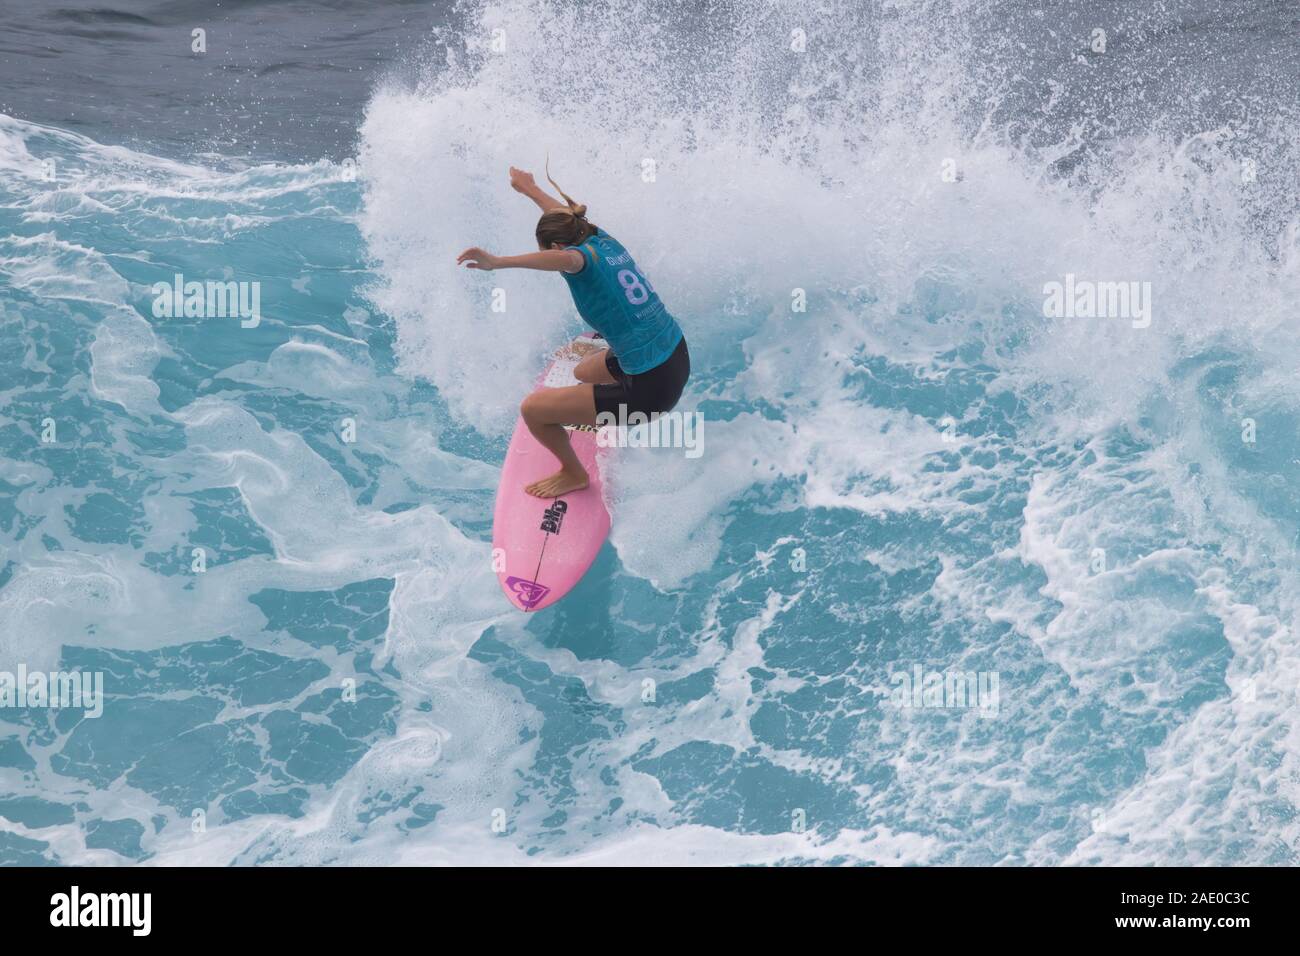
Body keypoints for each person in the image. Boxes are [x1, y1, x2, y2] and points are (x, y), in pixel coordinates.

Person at [457, 165, 690, 498]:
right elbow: (564, 217)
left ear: (555, 247)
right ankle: (598, 406)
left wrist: (498, 262)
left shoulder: (576, 259)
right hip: (676, 353)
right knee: (583, 371)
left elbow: (563, 260)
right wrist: (530, 189)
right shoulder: (598, 236)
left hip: (653, 393)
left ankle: (573, 473)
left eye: (546, 250)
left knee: (533, 410)